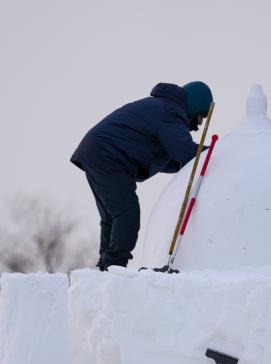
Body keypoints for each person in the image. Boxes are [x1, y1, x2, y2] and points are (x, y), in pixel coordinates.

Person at [71, 81, 213, 270]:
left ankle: (105, 268)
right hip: (108, 155)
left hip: (97, 152)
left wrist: (189, 159)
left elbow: (171, 159)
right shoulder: (170, 113)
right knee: (127, 214)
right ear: (196, 105)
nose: (200, 123)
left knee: (113, 216)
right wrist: (218, 151)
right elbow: (184, 152)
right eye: (202, 115)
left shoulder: (161, 109)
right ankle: (114, 267)